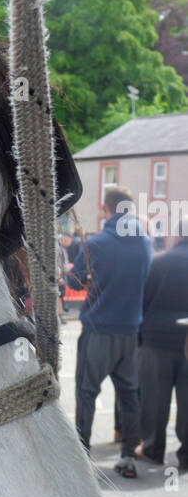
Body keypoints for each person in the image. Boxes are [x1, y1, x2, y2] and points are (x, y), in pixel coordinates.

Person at [68, 186, 152, 478]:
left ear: (106, 209)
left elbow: (75, 282)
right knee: (130, 396)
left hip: (98, 330)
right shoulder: (145, 243)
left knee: (86, 393)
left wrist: (89, 280)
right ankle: (128, 456)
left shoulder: (98, 243)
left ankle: (82, 456)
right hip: (130, 330)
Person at [135, 219, 188, 472]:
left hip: (156, 340)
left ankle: (153, 449)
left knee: (155, 399)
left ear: (177, 235)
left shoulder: (157, 261)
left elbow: (141, 303)